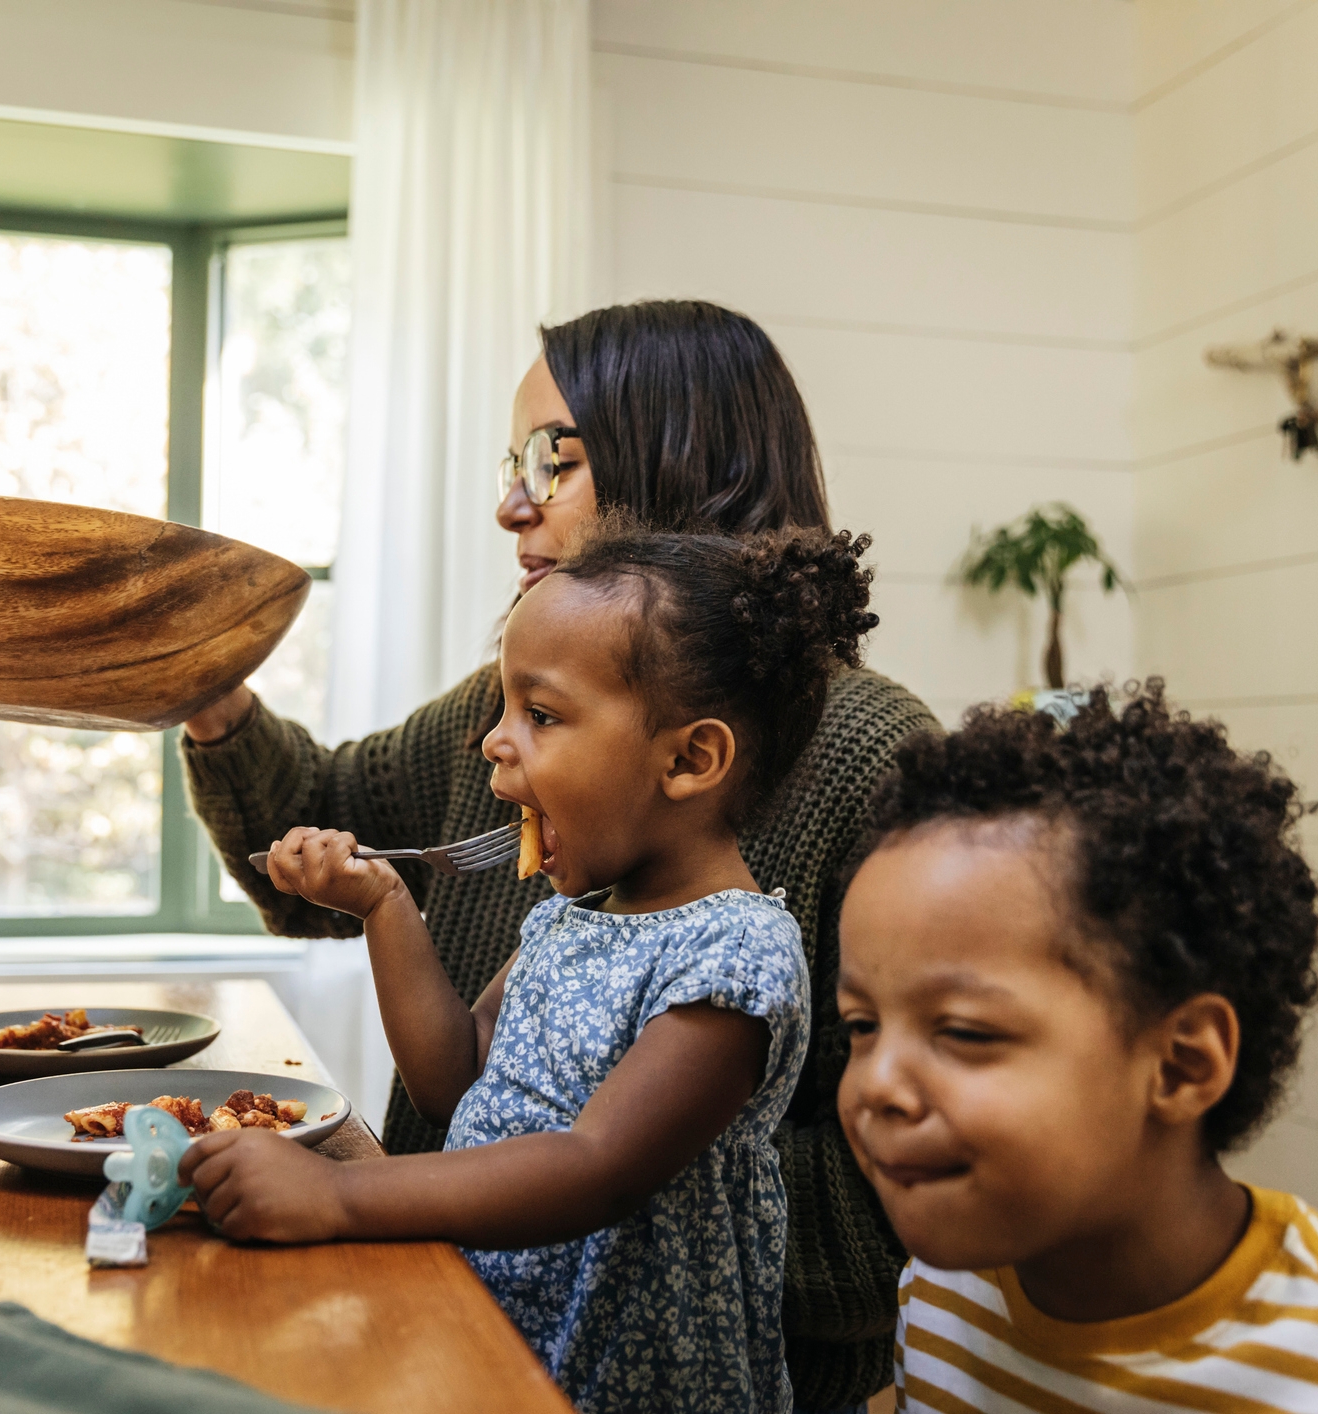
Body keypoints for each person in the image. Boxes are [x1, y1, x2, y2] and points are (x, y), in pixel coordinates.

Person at [181, 300, 936, 1408]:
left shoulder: (877, 756)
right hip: (459, 1325)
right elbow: (321, 823)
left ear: (681, 464)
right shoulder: (525, 706)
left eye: (553, 458)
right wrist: (206, 689)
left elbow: (899, 1183)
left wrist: (602, 1179)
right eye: (511, 459)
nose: (509, 501)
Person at [834, 683, 1318, 1412]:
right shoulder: (946, 1289)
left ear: (1180, 1064)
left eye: (964, 1033)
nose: (877, 1085)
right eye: (861, 1026)